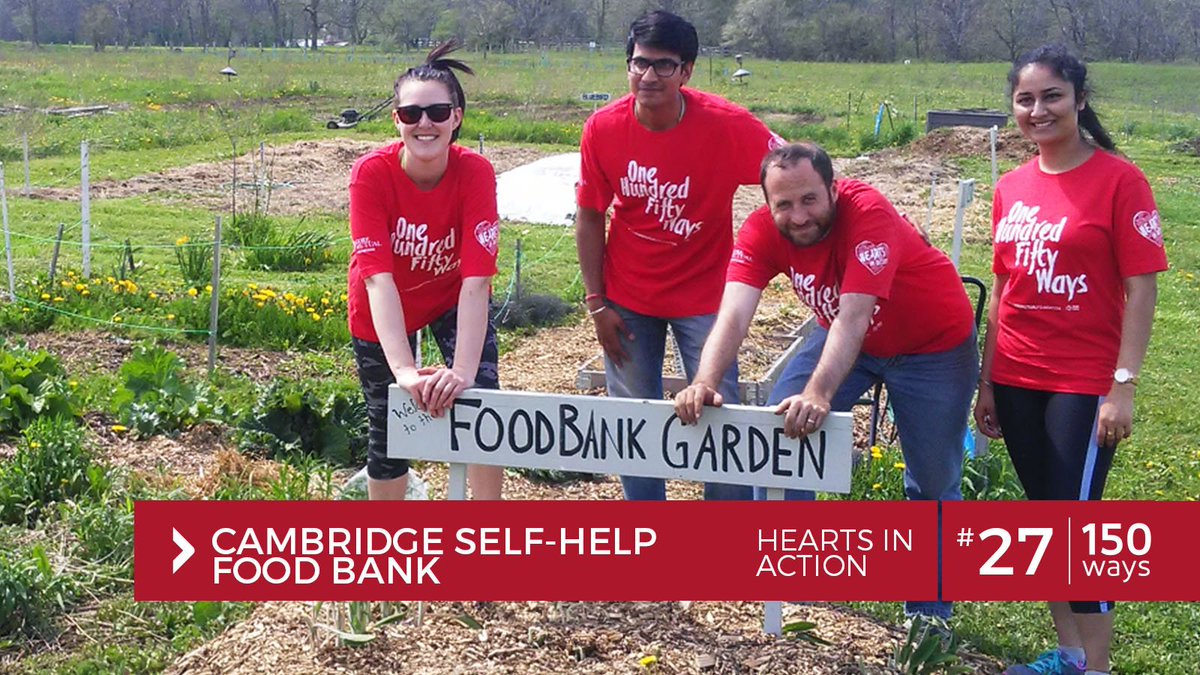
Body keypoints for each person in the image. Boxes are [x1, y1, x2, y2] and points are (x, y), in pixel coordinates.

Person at [675, 142, 979, 622]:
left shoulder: (868, 214)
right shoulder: (760, 231)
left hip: (932, 346)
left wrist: (818, 394)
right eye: (784, 204)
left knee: (932, 480)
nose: (798, 216)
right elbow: (733, 314)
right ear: (767, 203)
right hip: (843, 334)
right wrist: (704, 380)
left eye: (810, 199)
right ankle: (794, 586)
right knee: (779, 433)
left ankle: (928, 615)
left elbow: (854, 317)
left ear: (834, 189)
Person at [974, 45, 1167, 675]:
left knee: (1075, 527)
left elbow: (1142, 288)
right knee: (1046, 522)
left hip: (1084, 381)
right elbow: (1003, 288)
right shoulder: (1010, 186)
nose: (1038, 110)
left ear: (1079, 99)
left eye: (1052, 96)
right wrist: (988, 382)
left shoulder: (1120, 181)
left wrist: (1123, 385)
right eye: (1025, 99)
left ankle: (1098, 667)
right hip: (1016, 376)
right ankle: (1071, 656)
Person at [575, 10, 783, 501]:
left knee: (719, 412)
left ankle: (724, 531)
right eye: (639, 63)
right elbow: (589, 215)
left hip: (706, 298)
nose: (648, 76)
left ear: (686, 71)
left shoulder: (727, 125)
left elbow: (794, 173)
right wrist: (597, 303)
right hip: (628, 296)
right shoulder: (603, 129)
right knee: (632, 422)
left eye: (663, 65)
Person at [347, 41, 503, 501]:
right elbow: (378, 279)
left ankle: (489, 528)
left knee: (483, 406)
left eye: (437, 112)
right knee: (388, 429)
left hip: (451, 295)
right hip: (383, 303)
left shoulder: (475, 173)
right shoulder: (371, 174)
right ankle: (389, 538)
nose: (425, 124)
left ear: (456, 118)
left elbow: (477, 281)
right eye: (411, 113)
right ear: (396, 120)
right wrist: (405, 371)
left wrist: (462, 373)